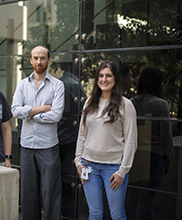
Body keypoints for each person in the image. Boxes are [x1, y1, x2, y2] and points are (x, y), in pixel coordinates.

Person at [74, 60, 137, 220]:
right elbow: (82, 134)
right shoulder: (89, 102)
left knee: (117, 214)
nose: (104, 79)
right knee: (94, 214)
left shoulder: (126, 105)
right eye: (101, 76)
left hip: (113, 168)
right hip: (89, 167)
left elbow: (131, 141)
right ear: (97, 79)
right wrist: (78, 162)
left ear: (115, 78)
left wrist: (123, 171)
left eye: (108, 75)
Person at [11, 45, 65, 220]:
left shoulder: (58, 85)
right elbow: (14, 111)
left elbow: (56, 115)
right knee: (28, 196)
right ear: (30, 60)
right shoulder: (22, 85)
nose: (39, 61)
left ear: (49, 60)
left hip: (48, 147)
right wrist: (41, 109)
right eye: (35, 58)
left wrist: (29, 114)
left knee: (51, 195)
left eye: (43, 58)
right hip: (26, 147)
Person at [126, 66, 174, 220]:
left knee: (132, 200)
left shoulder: (131, 103)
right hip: (155, 157)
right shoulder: (161, 104)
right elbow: (166, 137)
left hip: (135, 156)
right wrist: (169, 160)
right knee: (148, 202)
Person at [58, 60, 87, 175]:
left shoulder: (59, 82)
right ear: (74, 65)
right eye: (82, 62)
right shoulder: (74, 85)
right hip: (70, 139)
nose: (84, 66)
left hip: (59, 138)